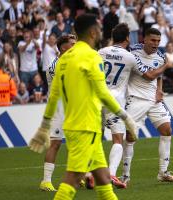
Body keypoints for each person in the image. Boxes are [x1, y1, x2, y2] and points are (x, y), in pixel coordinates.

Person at [29, 14, 137, 200]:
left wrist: (45, 125)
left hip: (74, 126)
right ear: (94, 32)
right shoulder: (92, 56)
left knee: (104, 181)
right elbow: (102, 93)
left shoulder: (62, 60)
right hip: (86, 126)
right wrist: (126, 118)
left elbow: (53, 94)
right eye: (99, 29)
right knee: (71, 179)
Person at [99, 23, 159, 189]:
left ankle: (89, 174)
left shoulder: (101, 52)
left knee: (94, 139)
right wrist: (165, 66)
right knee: (117, 139)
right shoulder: (130, 57)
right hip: (115, 101)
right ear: (127, 38)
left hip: (97, 98)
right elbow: (148, 76)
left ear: (112, 36)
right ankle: (111, 174)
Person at [121, 28, 173, 185]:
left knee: (167, 129)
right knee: (130, 136)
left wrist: (160, 90)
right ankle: (125, 176)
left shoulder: (160, 56)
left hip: (153, 99)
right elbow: (149, 76)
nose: (156, 44)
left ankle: (163, 172)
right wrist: (167, 66)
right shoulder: (133, 51)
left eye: (158, 41)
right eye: (153, 40)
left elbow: (158, 76)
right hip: (136, 98)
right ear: (144, 39)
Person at [39, 34, 76, 192]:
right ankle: (46, 181)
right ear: (63, 48)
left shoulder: (70, 62)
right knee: (55, 143)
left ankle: (77, 177)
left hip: (70, 107)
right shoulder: (57, 65)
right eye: (72, 44)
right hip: (58, 109)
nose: (75, 47)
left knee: (75, 144)